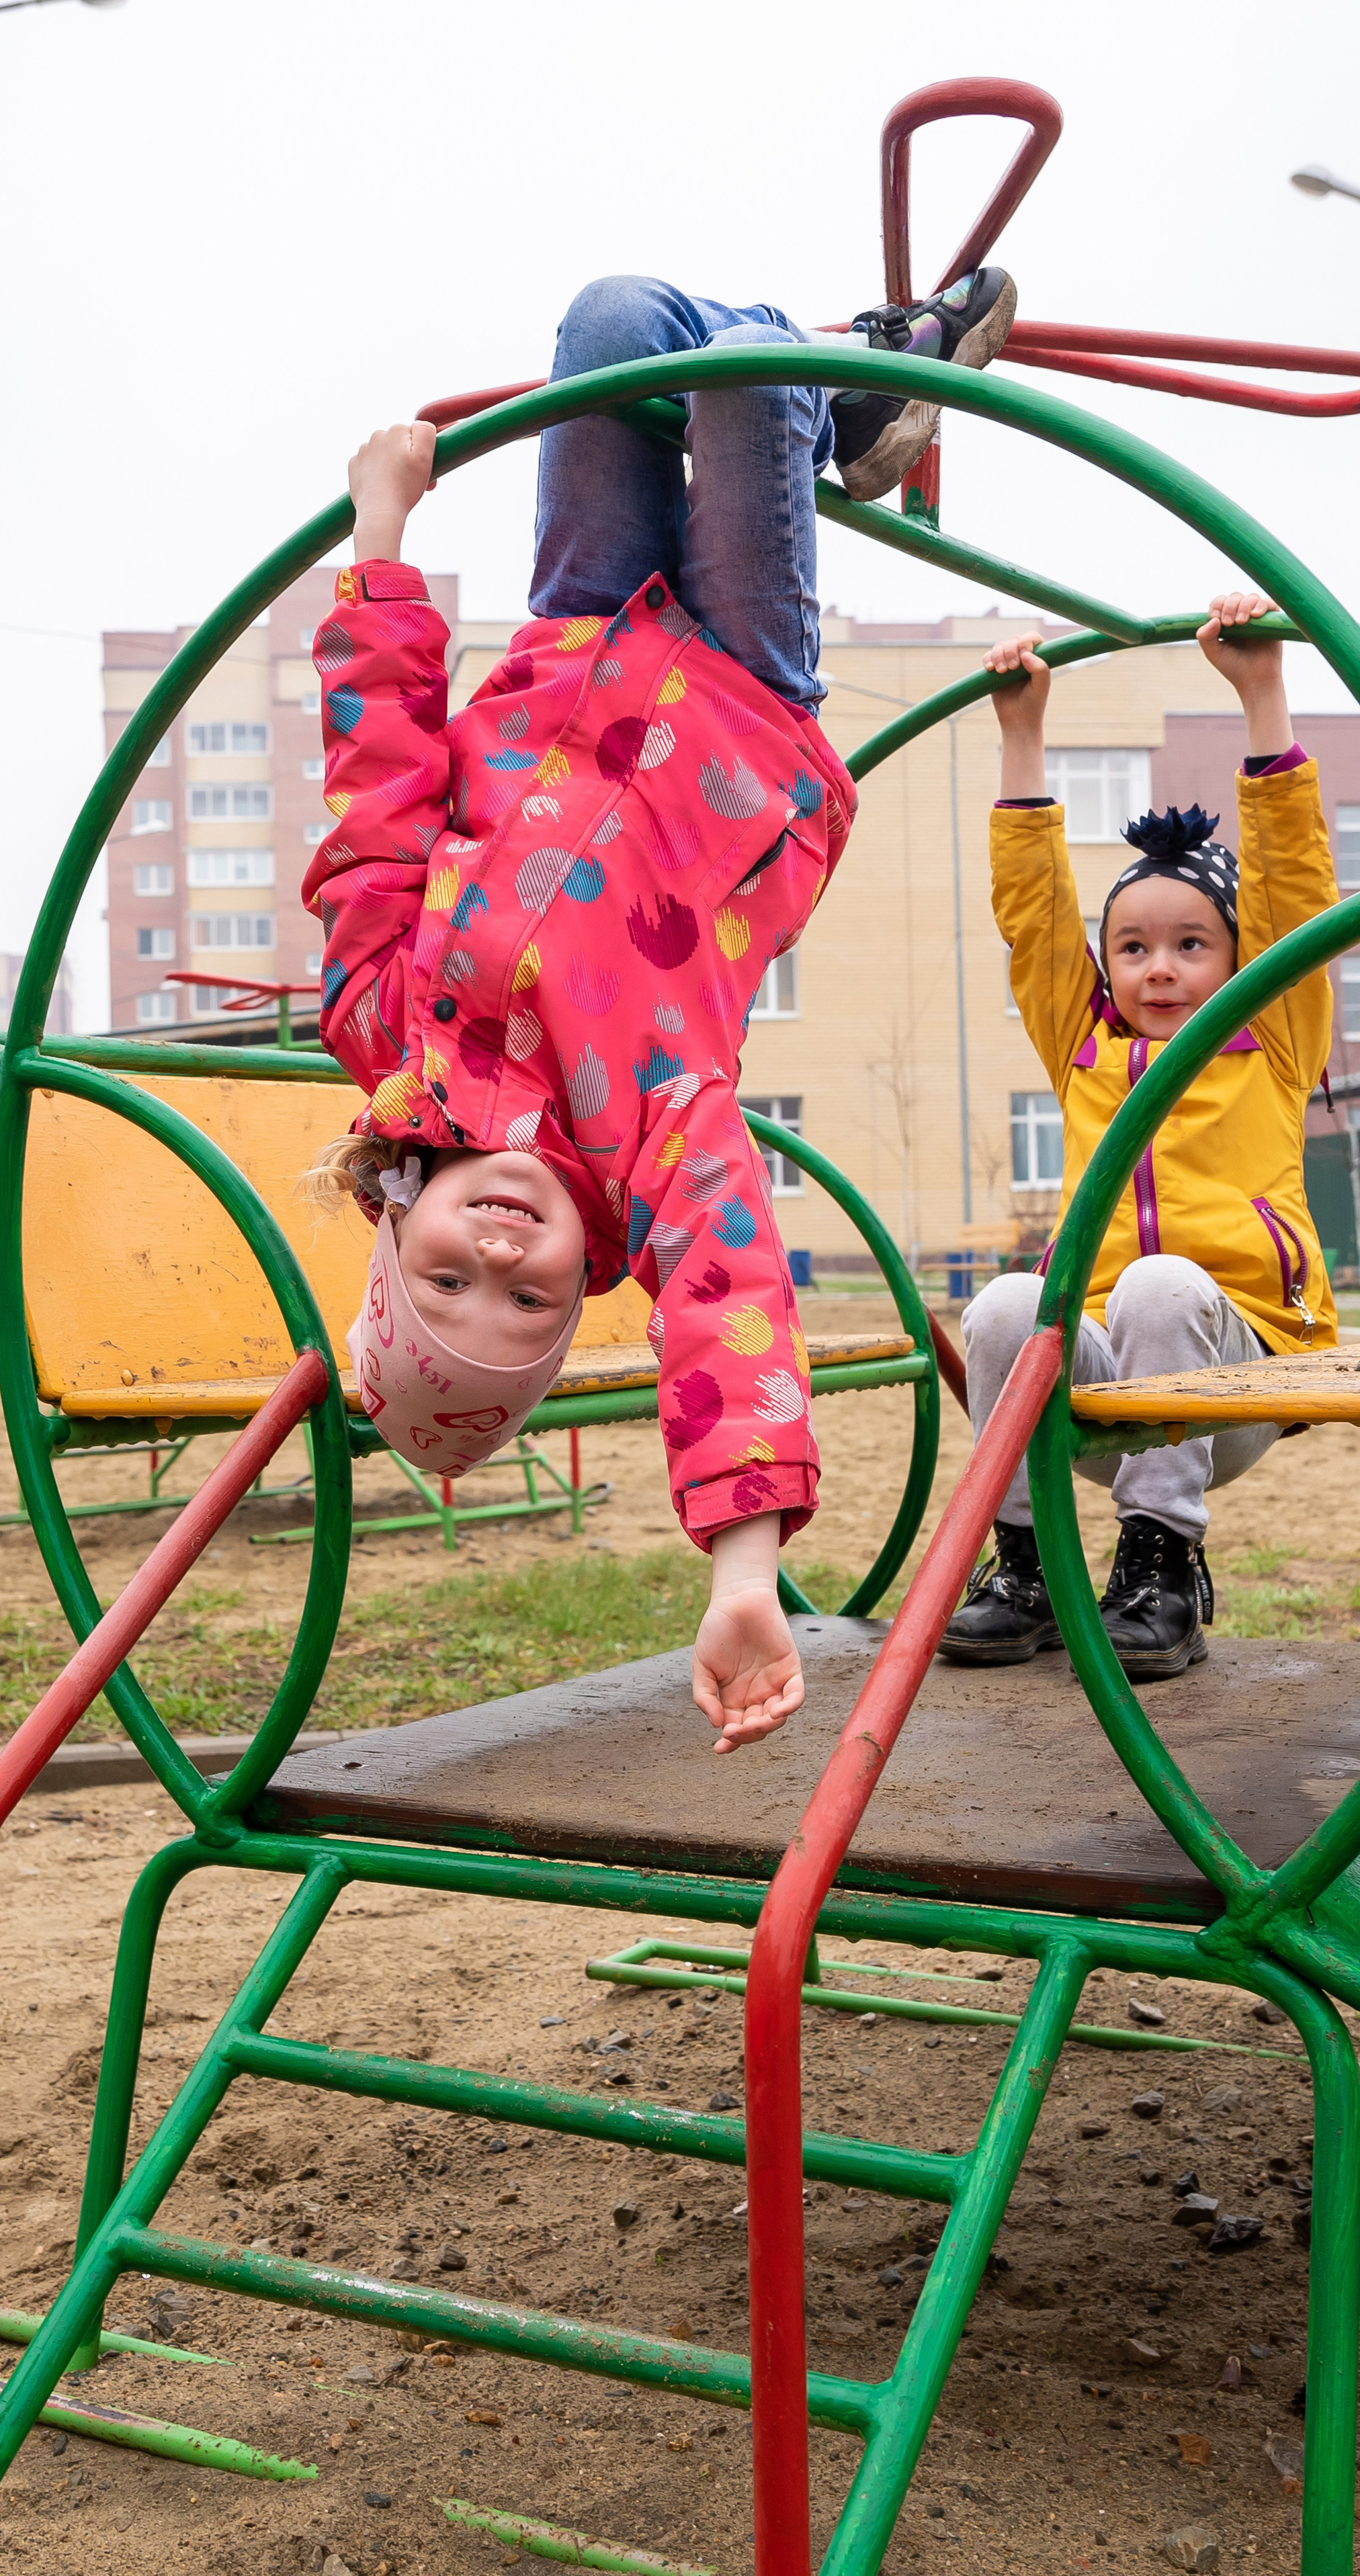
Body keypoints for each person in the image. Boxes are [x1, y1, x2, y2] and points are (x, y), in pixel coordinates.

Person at [301, 267, 1017, 1750]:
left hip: (571, 642)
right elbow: (727, 1317)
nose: (496, 1259)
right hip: (749, 707)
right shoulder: (656, 1141)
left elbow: (374, 800)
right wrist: (741, 1567)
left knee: (615, 323)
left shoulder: (382, 1024)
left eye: (447, 1286)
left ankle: (864, 392)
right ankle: (852, 388)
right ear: (579, 1287)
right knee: (752, 366)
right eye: (528, 1302)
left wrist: (379, 543)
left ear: (390, 1240)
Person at [939, 594, 1338, 1681]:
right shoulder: (1079, 1042)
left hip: (1240, 1365)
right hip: (1108, 1372)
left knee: (1164, 1280)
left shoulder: (1275, 1031)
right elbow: (1031, 913)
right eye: (1134, 947)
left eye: (1192, 944)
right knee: (1008, 1303)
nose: (1161, 968)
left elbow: (1301, 886)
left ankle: (1163, 1568)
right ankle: (1020, 1564)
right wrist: (1023, 733)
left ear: (1238, 955)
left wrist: (1262, 695)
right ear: (1106, 963)